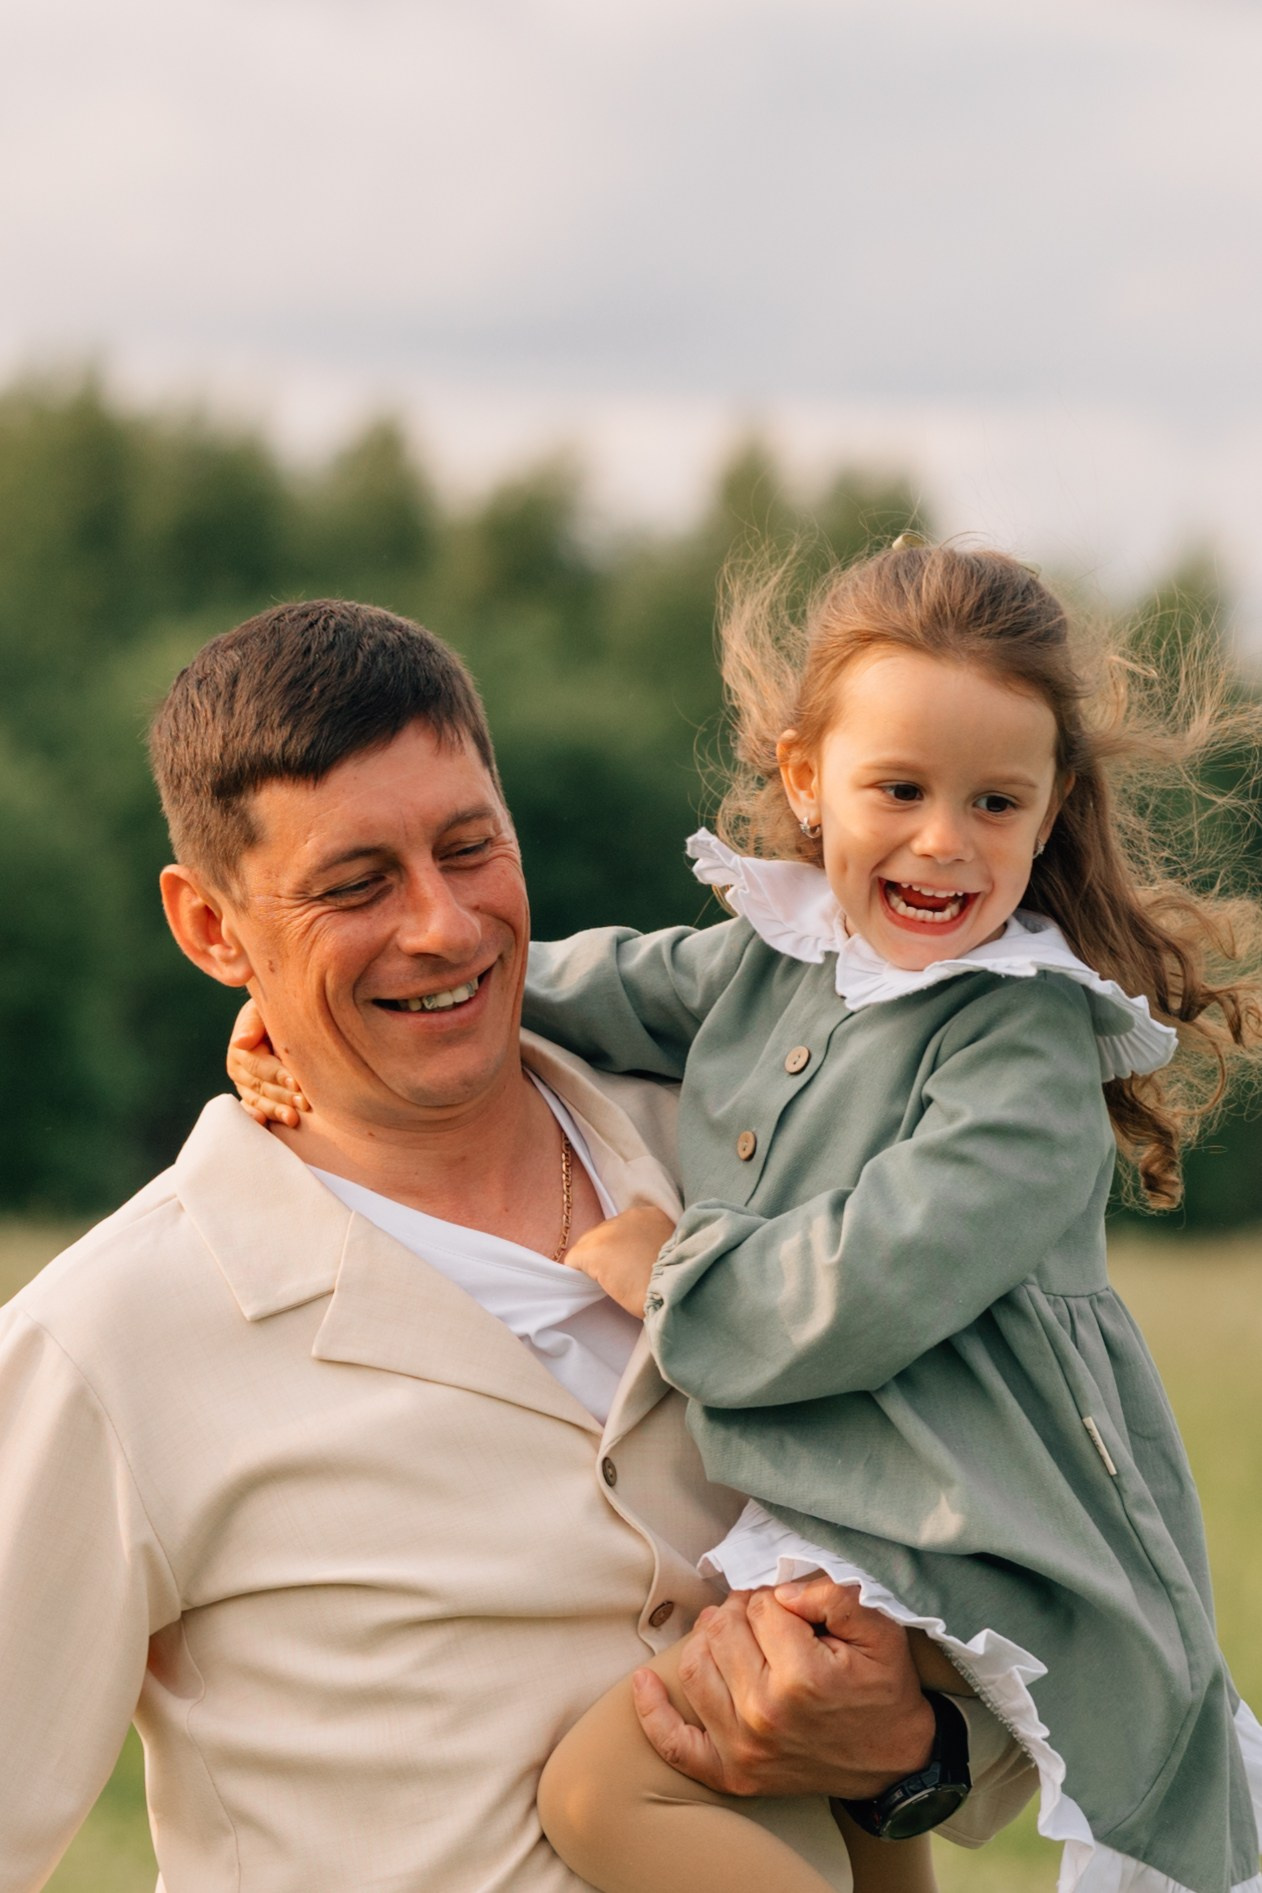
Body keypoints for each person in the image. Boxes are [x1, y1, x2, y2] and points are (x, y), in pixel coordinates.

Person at [237, 548, 1262, 1893]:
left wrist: (678, 1273)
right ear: (804, 780)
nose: (943, 839)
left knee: (613, 1782)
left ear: (1049, 809)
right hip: (856, 1495)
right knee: (846, 1820)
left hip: (970, 1513)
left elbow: (886, 1268)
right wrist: (348, 990)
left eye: (993, 801)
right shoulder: (780, 954)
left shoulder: (1020, 1040)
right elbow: (602, 984)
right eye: (897, 789)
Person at [0, 598, 1035, 1893]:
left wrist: (911, 1742)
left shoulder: (775, 1176)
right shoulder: (109, 1337)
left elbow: (1035, 1583)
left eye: (468, 846)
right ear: (212, 928)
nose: (441, 923)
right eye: (354, 885)